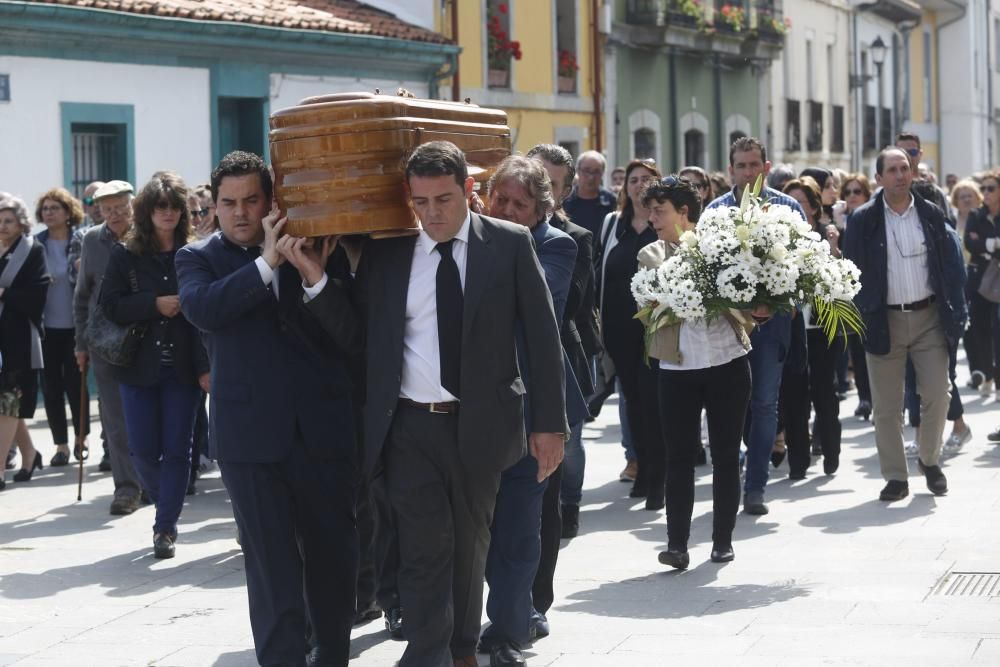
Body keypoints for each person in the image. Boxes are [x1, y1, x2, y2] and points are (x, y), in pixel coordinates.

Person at [353, 141, 565, 667]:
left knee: (470, 545)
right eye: (420, 202)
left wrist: (549, 426)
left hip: (482, 425)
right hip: (408, 427)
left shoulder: (510, 244)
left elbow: (542, 339)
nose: (431, 213)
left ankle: (461, 650)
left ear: (469, 192)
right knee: (425, 548)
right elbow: (362, 337)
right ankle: (428, 655)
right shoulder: (389, 253)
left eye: (443, 200)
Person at [177, 151, 360, 666]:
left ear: (270, 201)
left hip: (323, 434)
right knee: (271, 567)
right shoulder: (197, 258)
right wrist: (266, 262)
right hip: (250, 442)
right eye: (229, 203)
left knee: (333, 560)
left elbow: (351, 336)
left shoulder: (319, 244)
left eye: (251, 200)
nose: (240, 212)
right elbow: (205, 310)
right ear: (213, 207)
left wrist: (311, 276)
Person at [478, 154, 581, 666]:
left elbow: (529, 305)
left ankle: (508, 627)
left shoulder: (556, 247)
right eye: (500, 199)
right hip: (474, 408)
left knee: (520, 525)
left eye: (521, 204)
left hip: (530, 404)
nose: (509, 210)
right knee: (482, 526)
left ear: (541, 211)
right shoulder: (466, 239)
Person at [639, 178, 756, 569]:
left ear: (684, 212)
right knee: (679, 457)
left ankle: (722, 540)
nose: (652, 217)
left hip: (727, 361)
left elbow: (746, 297)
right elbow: (658, 297)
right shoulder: (652, 254)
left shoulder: (723, 245)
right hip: (678, 367)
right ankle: (677, 545)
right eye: (650, 210)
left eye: (660, 210)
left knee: (725, 455)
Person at [843, 147, 967, 502]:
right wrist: (862, 314)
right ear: (878, 178)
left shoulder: (930, 213)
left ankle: (929, 460)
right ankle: (896, 477)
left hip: (929, 316)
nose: (900, 174)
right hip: (884, 319)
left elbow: (950, 266)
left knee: (937, 394)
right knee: (886, 406)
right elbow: (852, 272)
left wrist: (956, 310)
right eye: (892, 170)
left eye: (905, 168)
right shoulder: (863, 219)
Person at [100, 172, 207, 559]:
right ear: (148, 211)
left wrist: (204, 368)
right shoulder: (126, 254)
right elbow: (109, 306)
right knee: (142, 452)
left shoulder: (196, 253)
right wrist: (154, 304)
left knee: (179, 450)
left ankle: (165, 527)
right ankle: (166, 501)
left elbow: (204, 318)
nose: (169, 213)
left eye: (175, 206)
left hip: (183, 370)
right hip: (137, 367)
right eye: (161, 206)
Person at [707, 136, 806, 516]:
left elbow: (802, 266)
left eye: (754, 165)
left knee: (765, 404)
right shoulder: (716, 211)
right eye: (741, 165)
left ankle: (756, 487)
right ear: (731, 169)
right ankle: (729, 481)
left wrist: (779, 302)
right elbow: (709, 272)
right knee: (729, 407)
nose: (749, 172)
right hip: (728, 326)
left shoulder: (788, 207)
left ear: (766, 167)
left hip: (773, 326)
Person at [526, 143, 598, 539]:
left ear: (565, 191)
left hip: (564, 355)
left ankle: (570, 500)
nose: (540, 189)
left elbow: (566, 303)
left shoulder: (575, 238)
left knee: (568, 445)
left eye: (550, 183)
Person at [74, 180, 145, 514]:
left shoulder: (146, 236)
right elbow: (81, 297)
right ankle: (127, 489)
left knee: (149, 413)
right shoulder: (92, 240)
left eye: (120, 207)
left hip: (146, 337)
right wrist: (80, 343)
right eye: (107, 209)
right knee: (115, 419)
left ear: (132, 206)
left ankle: (153, 480)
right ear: (97, 211)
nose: (115, 215)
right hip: (104, 341)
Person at [597, 158, 665, 508]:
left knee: (654, 402)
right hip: (620, 330)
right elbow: (602, 274)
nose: (638, 185)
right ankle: (640, 467)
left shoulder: (665, 224)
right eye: (633, 179)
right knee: (633, 402)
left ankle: (657, 477)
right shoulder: (613, 224)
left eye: (646, 179)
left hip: (658, 329)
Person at [783, 177, 845, 475]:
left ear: (814, 207)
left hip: (822, 330)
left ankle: (831, 451)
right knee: (794, 397)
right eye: (789, 203)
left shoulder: (826, 236)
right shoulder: (777, 241)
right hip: (793, 331)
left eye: (801, 204)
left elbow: (841, 281)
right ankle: (798, 461)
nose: (795, 210)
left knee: (824, 393)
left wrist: (833, 250)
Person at [35, 187, 90, 467]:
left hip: (75, 326)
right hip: (47, 328)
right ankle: (61, 445)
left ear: (68, 212)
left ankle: (82, 439)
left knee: (75, 385)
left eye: (54, 208)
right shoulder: (36, 243)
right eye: (45, 209)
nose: (49, 213)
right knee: (51, 387)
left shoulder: (80, 240)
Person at [0, 194, 49, 489]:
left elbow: (38, 294)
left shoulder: (32, 251)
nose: (2, 226)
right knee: (8, 405)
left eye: (8, 221)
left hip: (18, 338)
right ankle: (30, 454)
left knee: (7, 402)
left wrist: (4, 293)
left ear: (21, 223)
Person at [839, 174, 875, 420]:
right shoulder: (840, 223)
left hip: (872, 294)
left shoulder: (873, 220)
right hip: (848, 296)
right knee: (857, 350)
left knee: (876, 350)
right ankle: (865, 399)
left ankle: (880, 398)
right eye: (848, 192)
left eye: (857, 191)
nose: (852, 196)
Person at [963, 172, 1000, 397]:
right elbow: (969, 243)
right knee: (981, 330)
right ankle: (987, 375)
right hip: (978, 282)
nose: (985, 193)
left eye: (991, 188)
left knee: (998, 332)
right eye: (983, 188)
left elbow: (979, 243)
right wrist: (994, 243)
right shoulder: (975, 215)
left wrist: (984, 242)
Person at [896, 132, 952, 220]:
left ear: (920, 154)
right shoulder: (885, 192)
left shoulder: (936, 192)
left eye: (912, 152)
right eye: (902, 152)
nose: (907, 156)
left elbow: (946, 227)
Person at [563, 150, 617, 238]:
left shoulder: (612, 202)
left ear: (602, 173)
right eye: (586, 170)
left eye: (596, 171)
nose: (591, 177)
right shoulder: (564, 201)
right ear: (577, 171)